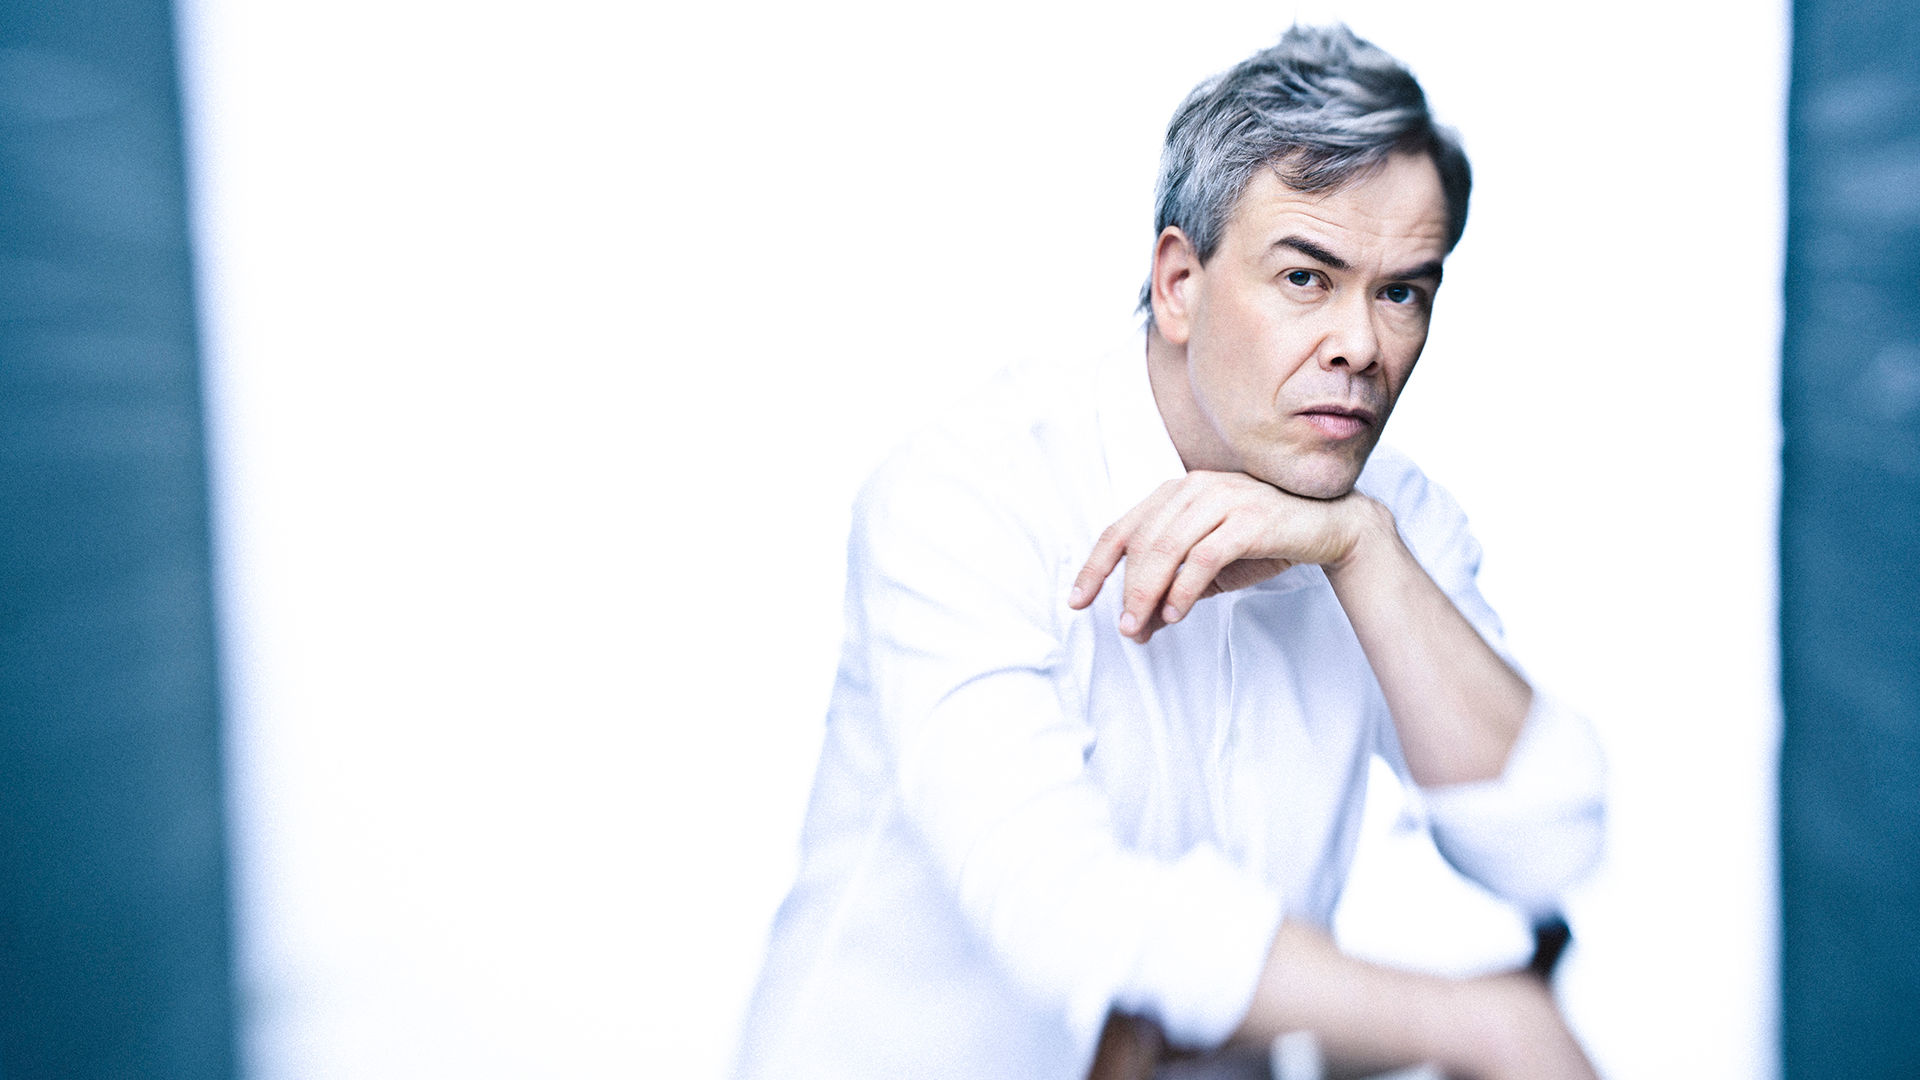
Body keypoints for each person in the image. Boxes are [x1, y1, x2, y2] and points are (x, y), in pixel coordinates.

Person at [734, 24, 1606, 1080]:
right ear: (1181, 282)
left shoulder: (1390, 517)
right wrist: (1474, 1024)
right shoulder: (969, 493)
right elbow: (1064, 911)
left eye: (1401, 292)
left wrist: (1364, 550)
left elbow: (1547, 843)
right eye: (1306, 277)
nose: (1363, 346)